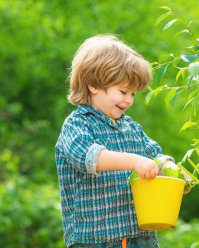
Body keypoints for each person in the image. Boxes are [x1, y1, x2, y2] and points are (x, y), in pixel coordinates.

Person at [55, 34, 178, 248]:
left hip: (140, 237)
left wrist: (169, 166)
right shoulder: (76, 125)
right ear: (93, 85)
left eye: (133, 93)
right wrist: (134, 161)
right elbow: (89, 157)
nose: (129, 100)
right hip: (95, 240)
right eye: (122, 91)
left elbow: (154, 155)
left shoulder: (130, 127)